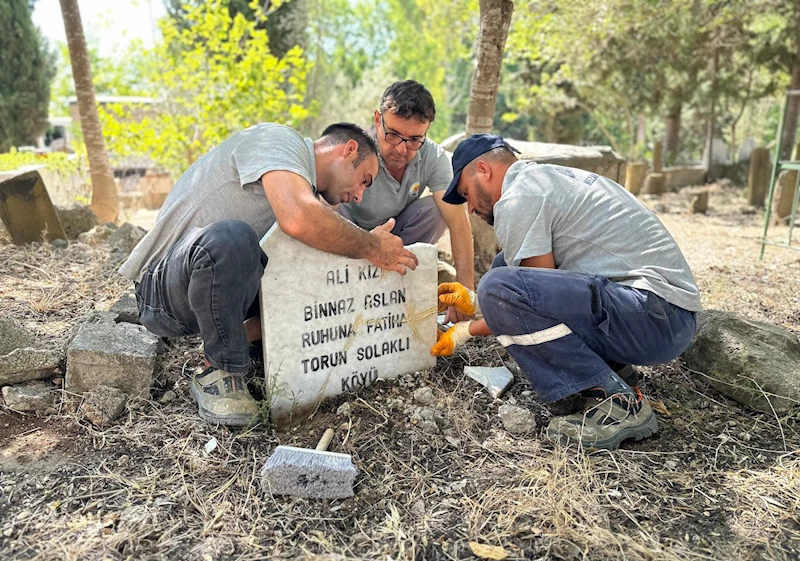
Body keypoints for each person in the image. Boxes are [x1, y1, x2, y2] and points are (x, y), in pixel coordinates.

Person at [119, 122, 418, 426]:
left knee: (309, 265)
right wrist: (371, 246)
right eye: (364, 180)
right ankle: (218, 371)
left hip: (210, 285)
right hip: (161, 289)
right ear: (349, 149)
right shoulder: (278, 140)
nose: (359, 196)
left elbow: (318, 230)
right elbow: (299, 218)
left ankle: (246, 336)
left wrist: (367, 247)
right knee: (233, 237)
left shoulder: (303, 187)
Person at [432, 134, 701, 450]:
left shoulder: (518, 198)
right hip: (662, 314)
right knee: (504, 266)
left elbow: (528, 300)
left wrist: (466, 327)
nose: (472, 209)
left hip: (655, 317)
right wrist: (479, 309)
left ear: (484, 169)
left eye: (466, 193)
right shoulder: (542, 178)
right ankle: (612, 371)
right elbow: (540, 289)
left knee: (498, 287)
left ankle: (616, 403)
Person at [338, 80, 475, 321]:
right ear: (377, 120)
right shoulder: (353, 149)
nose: (402, 150)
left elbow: (459, 224)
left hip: (397, 238)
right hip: (348, 240)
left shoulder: (433, 157)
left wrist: (464, 291)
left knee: (439, 208)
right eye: (393, 135)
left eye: (414, 139)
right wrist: (365, 242)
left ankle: (400, 277)